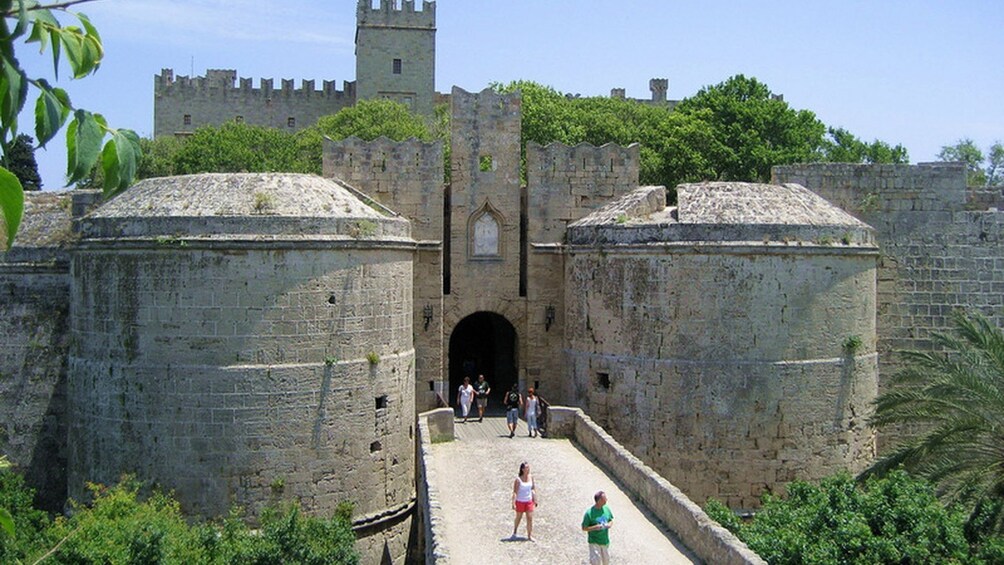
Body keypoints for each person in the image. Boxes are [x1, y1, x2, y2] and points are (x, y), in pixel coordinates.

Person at [582, 490, 614, 565]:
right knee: (596, 562)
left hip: (604, 541)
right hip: (594, 541)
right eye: (604, 498)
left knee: (606, 561)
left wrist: (609, 525)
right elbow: (584, 528)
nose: (606, 499)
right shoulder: (589, 513)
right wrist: (595, 527)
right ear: (599, 501)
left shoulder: (606, 509)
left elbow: (611, 520)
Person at [511, 461, 537, 541]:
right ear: (522, 469)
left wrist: (535, 499)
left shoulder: (531, 477)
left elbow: (533, 489)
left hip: (528, 501)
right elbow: (515, 492)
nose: (528, 469)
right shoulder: (518, 480)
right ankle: (515, 531)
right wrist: (513, 502)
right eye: (526, 468)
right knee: (519, 517)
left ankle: (529, 535)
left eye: (528, 467)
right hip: (520, 501)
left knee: (529, 518)